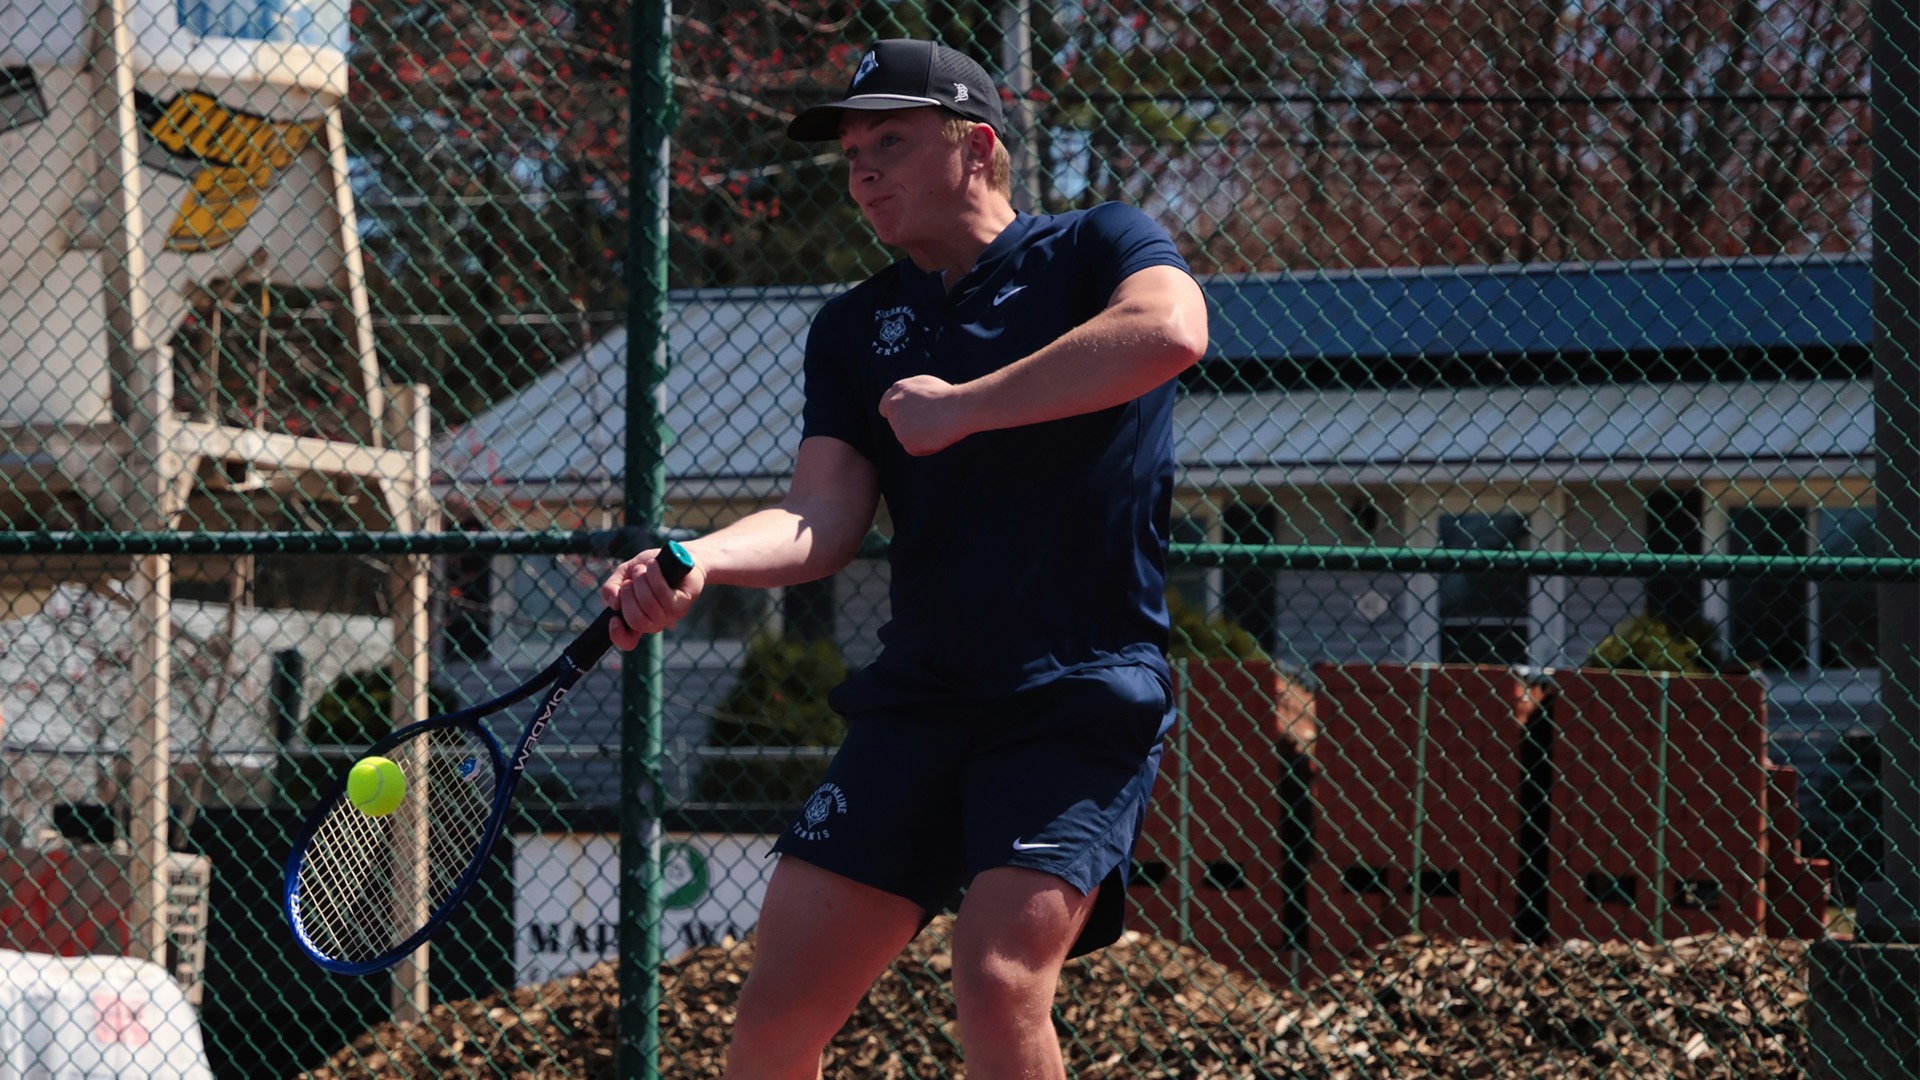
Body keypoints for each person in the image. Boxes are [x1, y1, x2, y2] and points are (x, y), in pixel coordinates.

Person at [600, 37, 1209, 1079]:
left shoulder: (1099, 246)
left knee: (999, 977)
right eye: (850, 153)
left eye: (890, 140)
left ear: (976, 148)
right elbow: (820, 519)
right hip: (920, 702)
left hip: (1077, 697)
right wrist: (700, 556)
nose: (862, 171)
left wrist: (965, 408)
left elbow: (1171, 330)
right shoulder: (853, 327)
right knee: (773, 1019)